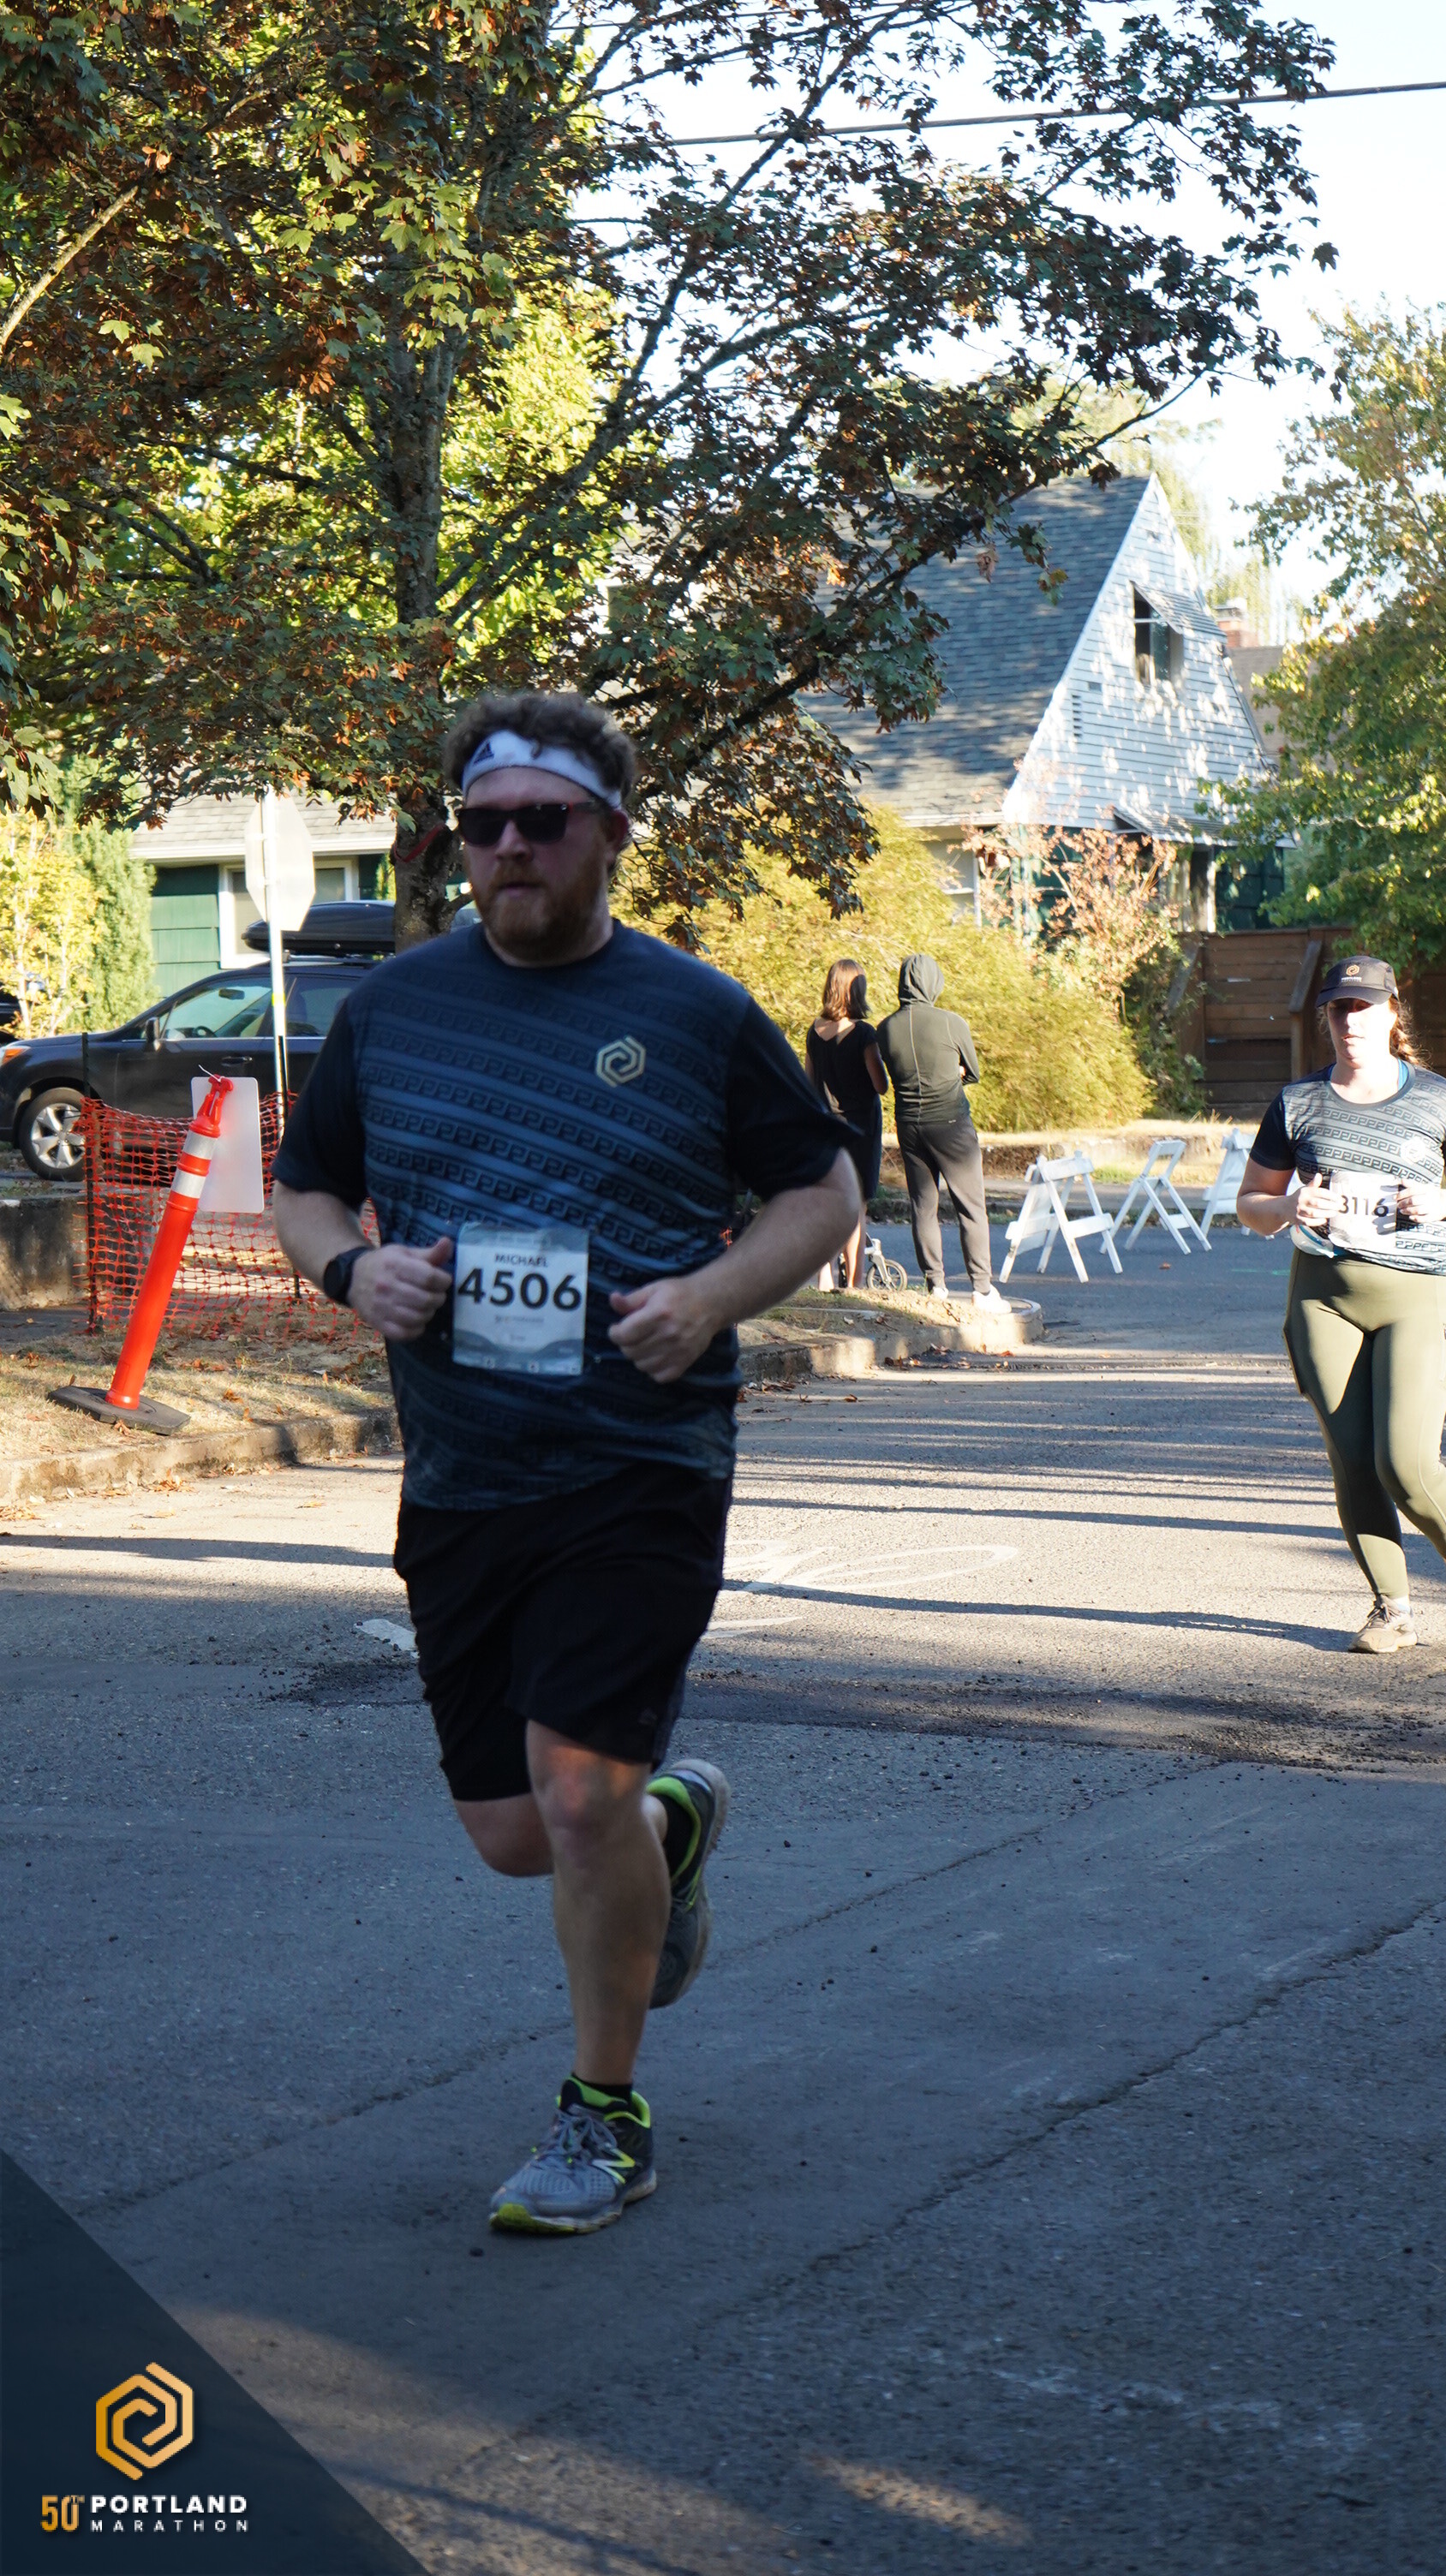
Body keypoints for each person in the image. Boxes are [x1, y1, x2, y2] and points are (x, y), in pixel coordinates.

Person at [271, 689, 859, 2233]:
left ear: (610, 833)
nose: (509, 847)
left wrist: (712, 1297)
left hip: (640, 1457)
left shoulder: (693, 1010)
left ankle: (605, 2116)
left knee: (575, 1795)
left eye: (543, 820)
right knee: (514, 1833)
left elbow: (823, 1192)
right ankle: (670, 1826)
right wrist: (354, 1272)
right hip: (462, 1471)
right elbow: (305, 1188)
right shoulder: (395, 1009)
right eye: (482, 825)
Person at [1237, 953, 1446, 1653]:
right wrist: (1289, 1206)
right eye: (1339, 1009)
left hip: (1417, 1296)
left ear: (1392, 1014)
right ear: (1326, 1018)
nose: (1351, 1020)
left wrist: (1441, 1202)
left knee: (1406, 1465)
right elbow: (1250, 1204)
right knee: (1352, 1459)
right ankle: (1392, 1610)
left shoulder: (1436, 1098)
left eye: (1364, 1007)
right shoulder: (1297, 1103)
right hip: (1324, 1301)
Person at [874, 952, 1003, 1308]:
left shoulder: (884, 1029)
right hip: (951, 1125)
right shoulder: (951, 1022)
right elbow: (973, 1072)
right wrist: (954, 1072)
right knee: (971, 1207)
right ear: (933, 982)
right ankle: (982, 1290)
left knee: (923, 1206)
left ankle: (936, 1286)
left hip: (909, 1127)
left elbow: (891, 1075)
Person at [805, 958, 887, 1289]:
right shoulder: (865, 1034)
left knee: (828, 1202)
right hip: (861, 1128)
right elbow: (880, 1085)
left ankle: (824, 1277)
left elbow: (808, 1084)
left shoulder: (814, 1032)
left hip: (826, 1128)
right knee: (856, 1206)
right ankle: (854, 1281)